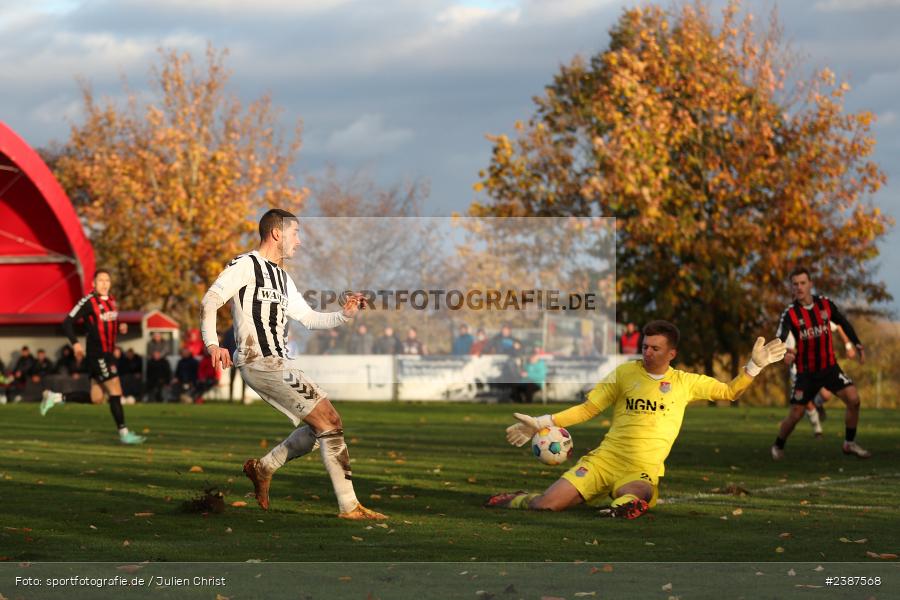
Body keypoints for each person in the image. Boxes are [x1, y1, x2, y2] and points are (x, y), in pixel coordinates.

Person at [485, 320, 785, 519]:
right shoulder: (624, 373)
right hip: (604, 460)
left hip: (641, 468)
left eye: (655, 348)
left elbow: (730, 392)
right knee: (546, 505)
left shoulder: (685, 382)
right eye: (645, 346)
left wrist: (753, 368)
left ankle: (621, 506)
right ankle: (521, 498)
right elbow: (589, 408)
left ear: (671, 352)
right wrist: (543, 421)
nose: (648, 352)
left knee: (638, 495)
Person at [200, 208, 386, 520]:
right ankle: (350, 507)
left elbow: (310, 318)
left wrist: (345, 315)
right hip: (260, 361)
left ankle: (263, 468)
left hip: (280, 362)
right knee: (331, 421)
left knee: (321, 430)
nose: (298, 241)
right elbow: (210, 300)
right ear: (276, 233)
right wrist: (212, 344)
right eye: (295, 233)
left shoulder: (283, 277)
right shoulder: (246, 265)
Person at [771, 268, 870, 460]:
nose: (799, 287)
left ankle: (849, 443)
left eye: (802, 283)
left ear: (810, 284)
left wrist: (856, 343)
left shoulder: (824, 304)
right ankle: (778, 445)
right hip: (806, 373)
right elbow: (780, 338)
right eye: (795, 284)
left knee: (854, 399)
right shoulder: (790, 313)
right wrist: (785, 353)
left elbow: (842, 322)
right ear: (791, 288)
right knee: (796, 413)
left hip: (829, 368)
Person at [39, 269, 146, 444]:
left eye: (107, 280)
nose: (104, 284)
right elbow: (67, 322)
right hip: (98, 355)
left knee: (96, 399)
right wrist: (75, 344)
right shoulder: (88, 302)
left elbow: (109, 323)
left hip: (109, 354)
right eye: (101, 280)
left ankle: (55, 397)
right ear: (93, 284)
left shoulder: (111, 301)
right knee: (115, 390)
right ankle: (124, 434)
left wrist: (121, 327)